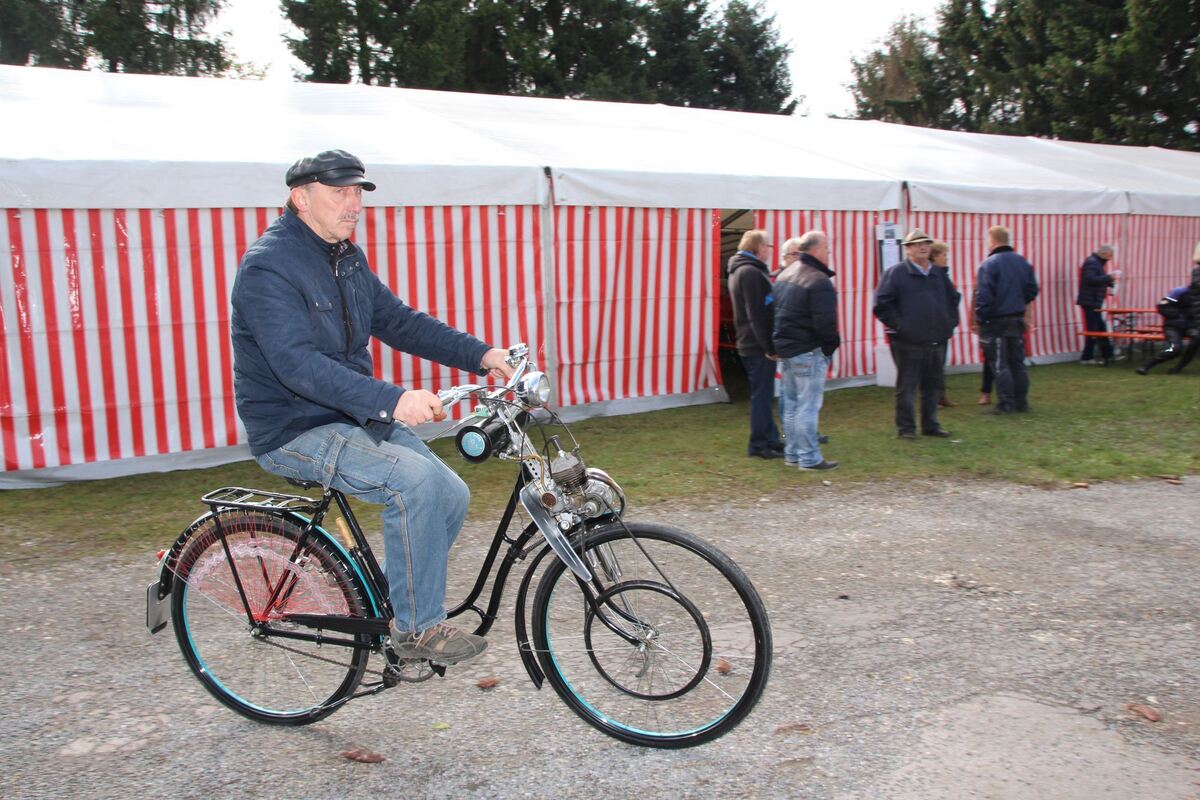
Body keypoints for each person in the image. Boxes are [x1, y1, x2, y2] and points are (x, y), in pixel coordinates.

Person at [230, 149, 515, 666]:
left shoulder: (344, 257)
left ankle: (394, 607)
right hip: (292, 427)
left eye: (358, 192)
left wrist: (481, 354)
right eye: (339, 192)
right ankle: (415, 631)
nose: (353, 203)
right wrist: (392, 400)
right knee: (415, 482)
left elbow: (399, 321)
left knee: (450, 494)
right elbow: (296, 365)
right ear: (301, 197)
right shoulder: (267, 267)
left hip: (346, 415)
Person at [873, 229, 961, 440]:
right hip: (907, 341)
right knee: (908, 386)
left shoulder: (938, 274)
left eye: (926, 243)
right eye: (918, 244)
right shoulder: (896, 273)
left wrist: (949, 324)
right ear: (908, 249)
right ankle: (906, 428)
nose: (923, 247)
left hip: (936, 339)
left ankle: (931, 424)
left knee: (933, 385)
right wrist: (901, 327)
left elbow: (953, 299)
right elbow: (882, 305)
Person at [773, 231, 840, 471]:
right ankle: (809, 457)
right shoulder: (819, 280)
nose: (829, 253)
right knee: (807, 405)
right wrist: (829, 348)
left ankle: (792, 453)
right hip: (808, 350)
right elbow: (826, 323)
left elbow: (775, 314)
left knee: (791, 404)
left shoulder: (785, 274)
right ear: (816, 250)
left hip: (788, 350)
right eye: (827, 248)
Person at [728, 229, 784, 459]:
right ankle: (759, 445)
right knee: (762, 396)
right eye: (768, 246)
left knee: (764, 394)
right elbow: (757, 314)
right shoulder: (750, 273)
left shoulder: (740, 270)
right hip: (756, 344)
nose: (769, 250)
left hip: (749, 341)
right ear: (758, 247)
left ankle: (771, 438)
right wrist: (769, 347)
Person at [975, 226, 1040, 414]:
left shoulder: (988, 264)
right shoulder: (1023, 262)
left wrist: (982, 318)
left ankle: (1006, 403)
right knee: (1017, 362)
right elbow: (1032, 291)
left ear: (992, 241)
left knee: (999, 363)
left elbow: (984, 296)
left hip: (995, 321)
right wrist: (1018, 302)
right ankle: (1021, 401)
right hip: (1016, 318)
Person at [1137, 243, 1200, 375]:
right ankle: (1146, 365)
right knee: (1175, 348)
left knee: (1196, 339)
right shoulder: (1179, 291)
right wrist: (1177, 316)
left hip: (1190, 326)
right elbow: (1162, 306)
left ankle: (1179, 368)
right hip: (1174, 326)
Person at [1077, 245, 1120, 365]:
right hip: (1090, 301)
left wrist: (1109, 282)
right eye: (1110, 255)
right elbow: (1089, 279)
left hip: (1094, 300)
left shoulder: (1097, 262)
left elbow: (1095, 280)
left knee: (1100, 328)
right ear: (1104, 253)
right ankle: (1087, 357)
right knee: (1093, 329)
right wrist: (1107, 277)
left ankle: (1107, 354)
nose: (1111, 259)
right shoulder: (1092, 262)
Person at [930, 241, 956, 407]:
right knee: (935, 363)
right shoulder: (935, 275)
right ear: (936, 256)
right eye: (944, 255)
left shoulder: (942, 274)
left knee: (940, 362)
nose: (946, 258)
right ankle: (936, 396)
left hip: (943, 325)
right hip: (935, 325)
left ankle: (940, 395)